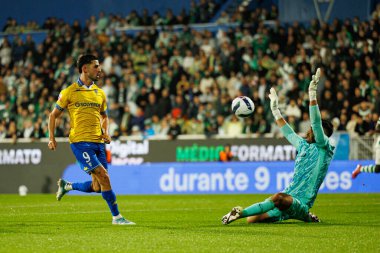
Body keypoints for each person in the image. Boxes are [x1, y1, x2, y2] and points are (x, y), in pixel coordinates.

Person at [222, 68, 335, 224]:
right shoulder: (303, 145)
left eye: (312, 130)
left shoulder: (325, 148)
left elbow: (316, 123)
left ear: (320, 134)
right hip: (288, 196)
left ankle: (237, 214)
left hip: (300, 202)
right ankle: (299, 216)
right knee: (252, 220)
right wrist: (275, 110)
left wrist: (312, 95)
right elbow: (288, 132)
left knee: (278, 197)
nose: (309, 131)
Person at [48, 54, 135, 225]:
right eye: (96, 66)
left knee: (98, 186)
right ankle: (117, 217)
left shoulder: (100, 93)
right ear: (85, 68)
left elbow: (104, 116)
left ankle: (68, 186)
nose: (100, 69)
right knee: (104, 176)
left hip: (98, 142)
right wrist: (51, 138)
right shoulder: (69, 92)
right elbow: (53, 115)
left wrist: (106, 131)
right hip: (80, 142)